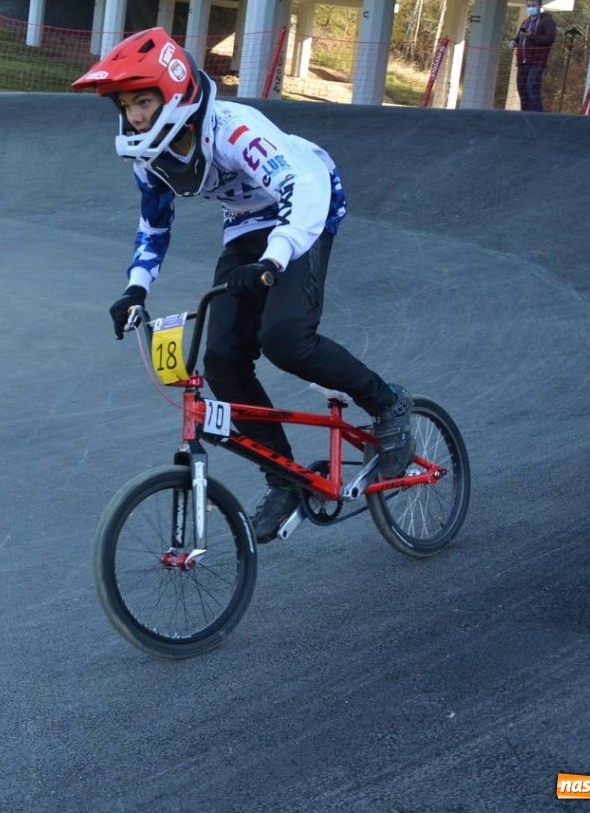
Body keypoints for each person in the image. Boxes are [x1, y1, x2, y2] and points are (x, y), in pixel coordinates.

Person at [72, 27, 414, 544]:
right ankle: (285, 480)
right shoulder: (148, 152)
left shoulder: (233, 129)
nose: (135, 115)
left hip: (307, 201)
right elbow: (154, 225)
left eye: (144, 100)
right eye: (126, 104)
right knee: (222, 360)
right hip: (249, 222)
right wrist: (136, 288)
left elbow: (299, 188)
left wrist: (275, 259)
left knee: (285, 337)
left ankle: (389, 404)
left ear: (175, 92)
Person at [510, 0, 557, 112]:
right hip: (522, 61)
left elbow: (550, 39)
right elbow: (519, 36)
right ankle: (525, 115)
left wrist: (532, 36)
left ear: (539, 6)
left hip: (537, 61)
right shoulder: (525, 22)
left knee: (532, 87)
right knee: (522, 89)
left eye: (533, 5)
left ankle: (537, 116)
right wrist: (513, 41)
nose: (530, 8)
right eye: (528, 5)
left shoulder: (547, 21)